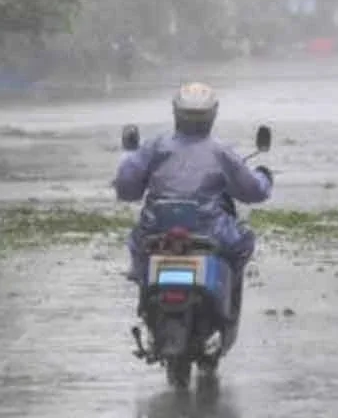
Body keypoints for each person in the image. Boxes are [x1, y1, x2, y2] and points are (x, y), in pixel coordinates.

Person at [112, 82, 273, 321]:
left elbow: (126, 187)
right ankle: (229, 307)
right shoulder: (221, 152)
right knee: (244, 241)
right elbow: (252, 191)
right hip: (211, 231)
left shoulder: (155, 147)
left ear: (176, 112)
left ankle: (144, 292)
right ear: (212, 114)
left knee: (136, 245)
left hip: (156, 231)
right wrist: (265, 177)